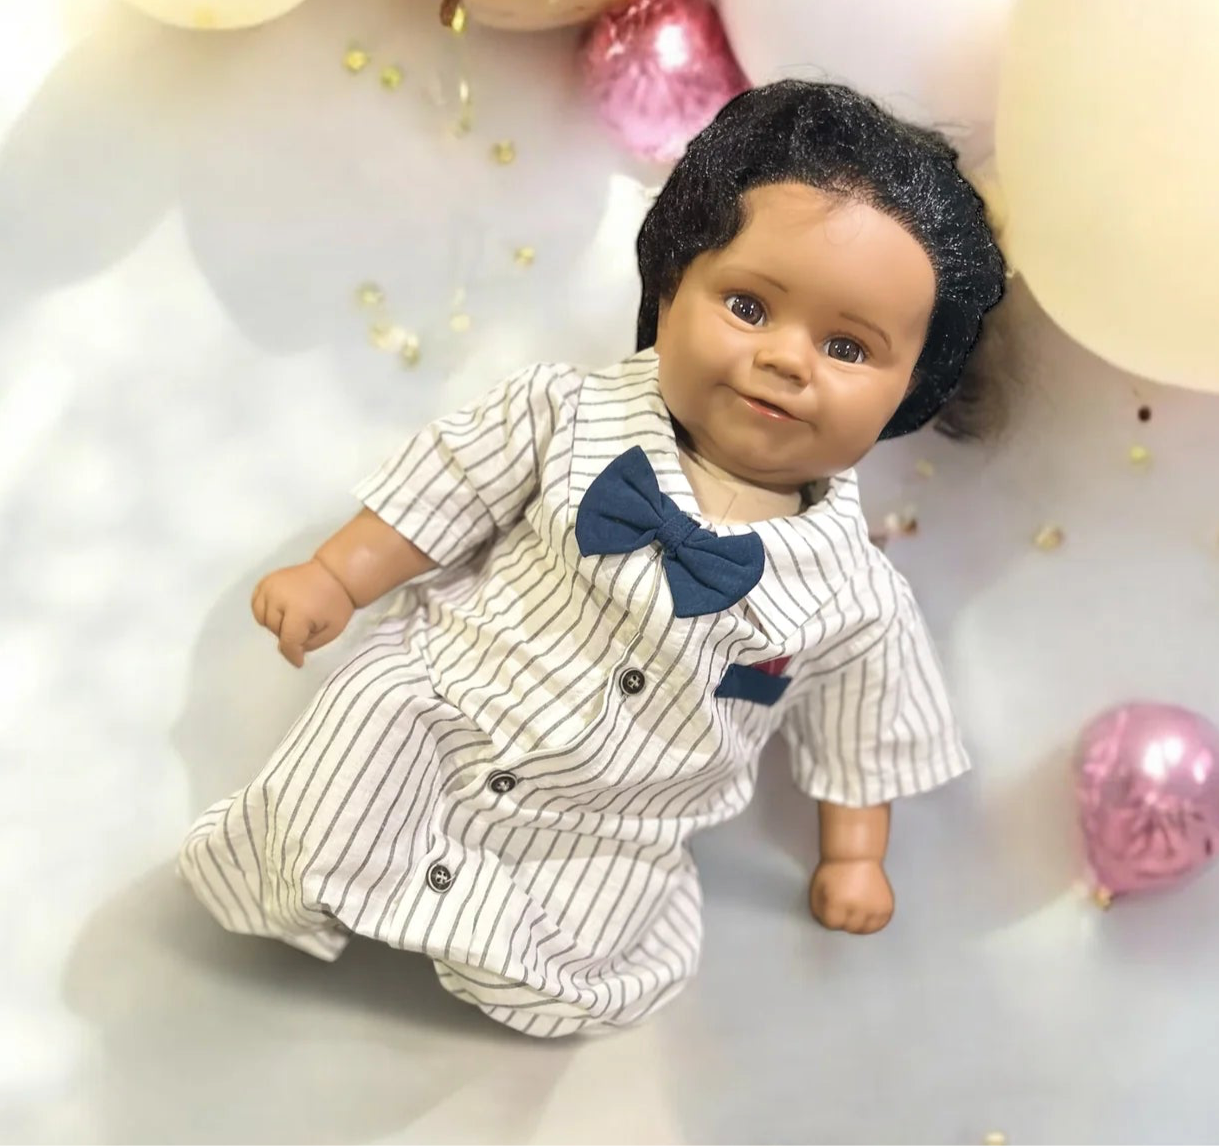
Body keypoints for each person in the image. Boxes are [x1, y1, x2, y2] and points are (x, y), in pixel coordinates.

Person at [179, 80, 1007, 1039]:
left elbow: (867, 732)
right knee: (361, 730)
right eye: (748, 305)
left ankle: (506, 965)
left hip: (618, 820)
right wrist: (337, 575)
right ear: (668, 285)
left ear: (909, 391)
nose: (788, 359)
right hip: (452, 706)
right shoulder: (564, 413)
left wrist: (854, 854)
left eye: (847, 347)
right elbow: (447, 489)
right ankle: (291, 885)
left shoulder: (856, 599)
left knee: (603, 939)